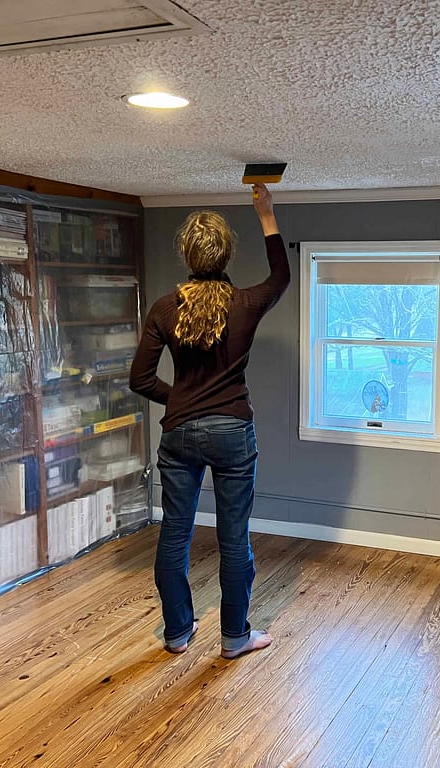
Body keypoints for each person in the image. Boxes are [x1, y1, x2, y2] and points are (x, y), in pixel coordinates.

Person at [129, 183, 289, 659]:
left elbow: (140, 379)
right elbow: (281, 274)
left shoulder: (163, 307)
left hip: (179, 435)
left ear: (186, 255)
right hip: (232, 434)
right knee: (233, 537)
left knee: (174, 533)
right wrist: (266, 214)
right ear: (225, 255)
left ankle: (177, 633)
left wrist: (178, 399)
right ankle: (234, 637)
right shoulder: (246, 303)